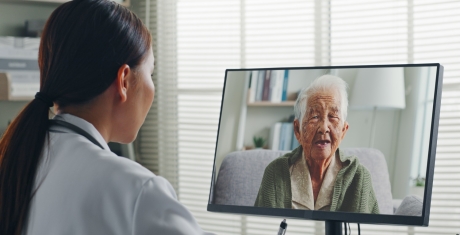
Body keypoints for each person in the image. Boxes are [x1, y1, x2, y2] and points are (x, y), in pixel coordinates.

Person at [0, 1, 214, 234]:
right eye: (150, 73)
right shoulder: (138, 190)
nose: (153, 86)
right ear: (124, 80)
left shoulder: (18, 160)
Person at [254, 75, 379, 214]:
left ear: (343, 130)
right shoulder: (275, 172)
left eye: (333, 116)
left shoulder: (359, 177)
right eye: (314, 117)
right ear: (297, 130)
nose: (323, 127)